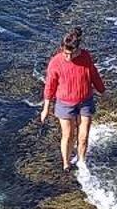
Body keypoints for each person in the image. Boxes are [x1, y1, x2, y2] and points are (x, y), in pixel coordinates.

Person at [40, 27, 106, 169]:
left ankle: (82, 161)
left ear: (78, 49)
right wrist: (45, 108)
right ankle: (66, 163)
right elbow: (50, 86)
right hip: (65, 103)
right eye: (65, 53)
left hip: (85, 101)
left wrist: (102, 90)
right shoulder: (55, 62)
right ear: (61, 48)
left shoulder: (86, 57)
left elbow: (93, 74)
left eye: (72, 53)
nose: (68, 57)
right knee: (68, 135)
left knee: (83, 136)